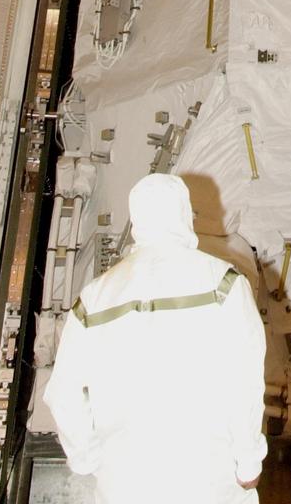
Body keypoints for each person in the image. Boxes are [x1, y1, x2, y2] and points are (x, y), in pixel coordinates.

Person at [44, 173, 267, 504]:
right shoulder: (224, 282)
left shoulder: (93, 297)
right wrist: (248, 461)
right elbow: (244, 381)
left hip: (124, 484)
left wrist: (87, 458)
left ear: (137, 220)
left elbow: (62, 393)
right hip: (207, 476)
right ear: (185, 214)